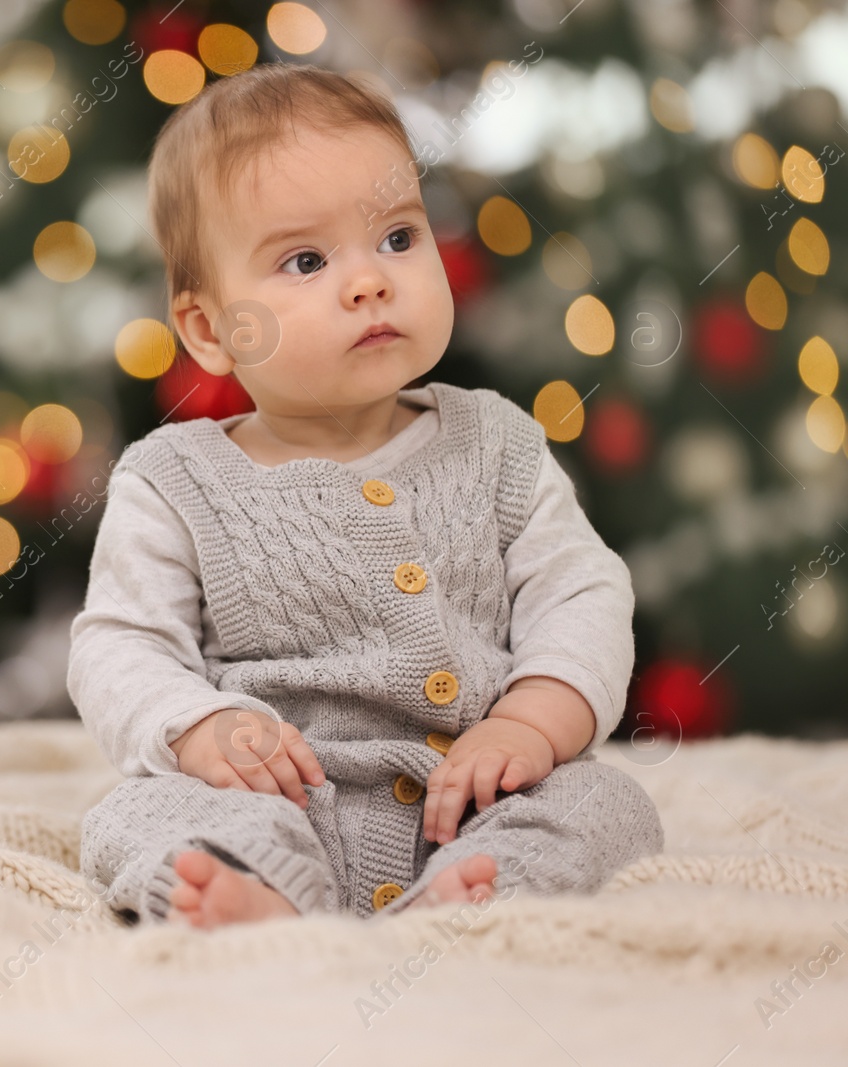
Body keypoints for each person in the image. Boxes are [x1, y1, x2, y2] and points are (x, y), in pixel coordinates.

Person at [71, 63, 662, 928]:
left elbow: (582, 591)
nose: (369, 281)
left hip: (468, 792)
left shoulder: (496, 443)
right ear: (209, 329)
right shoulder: (174, 480)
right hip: (274, 792)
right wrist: (198, 725)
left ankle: (477, 889)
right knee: (130, 813)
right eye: (305, 260)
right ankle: (258, 889)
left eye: (397, 238)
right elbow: (120, 643)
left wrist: (530, 725)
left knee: (610, 804)